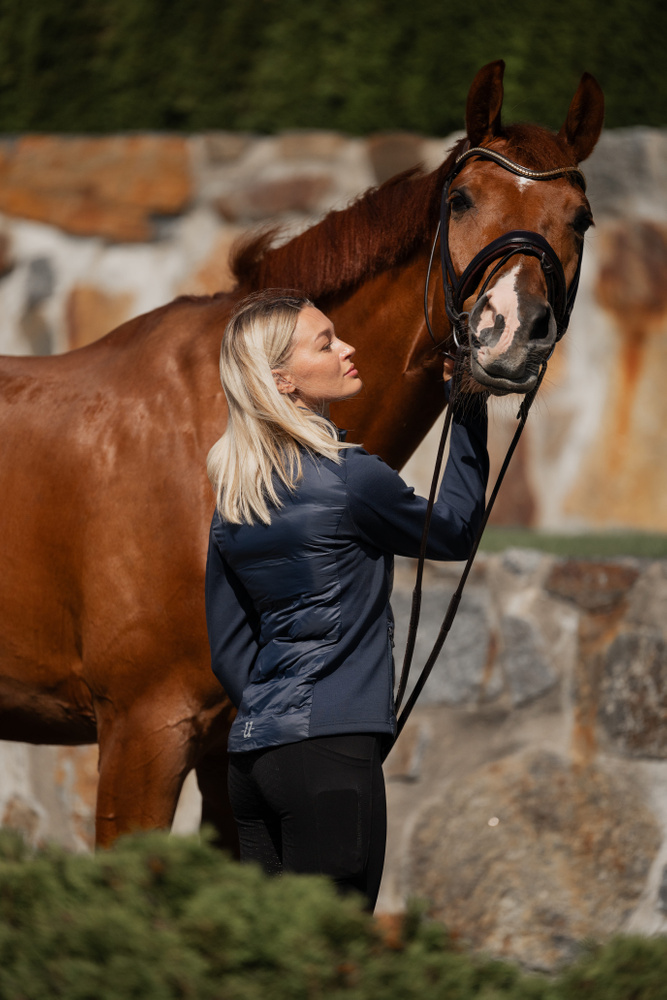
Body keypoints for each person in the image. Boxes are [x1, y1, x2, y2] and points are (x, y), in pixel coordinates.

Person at [205, 288, 489, 911]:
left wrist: (280, 722)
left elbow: (229, 648)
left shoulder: (235, 496)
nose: (348, 349)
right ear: (283, 382)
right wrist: (467, 406)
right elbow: (455, 530)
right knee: (333, 963)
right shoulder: (349, 477)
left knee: (274, 966)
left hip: (253, 760)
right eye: (326, 343)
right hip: (328, 758)